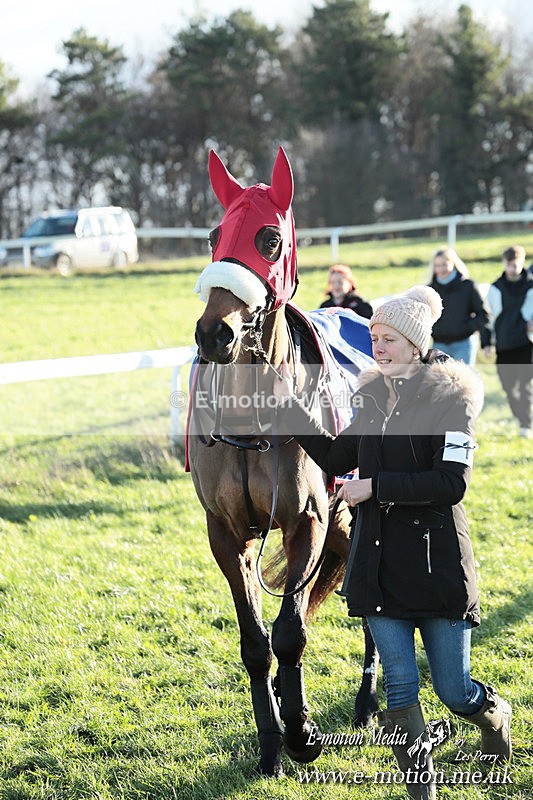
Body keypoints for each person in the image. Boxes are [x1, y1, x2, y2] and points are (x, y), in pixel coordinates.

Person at [274, 286, 511, 800]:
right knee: (400, 686)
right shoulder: (373, 395)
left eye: (388, 339)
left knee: (453, 690)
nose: (377, 347)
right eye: (374, 337)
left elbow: (452, 484)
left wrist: (374, 487)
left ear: (416, 342)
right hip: (376, 562)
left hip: (437, 562)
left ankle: (493, 715)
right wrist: (289, 410)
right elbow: (339, 459)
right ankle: (420, 792)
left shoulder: (453, 399)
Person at [482, 244, 533, 438]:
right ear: (504, 263)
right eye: (509, 264)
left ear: (522, 262)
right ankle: (520, 416)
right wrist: (487, 343)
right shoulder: (495, 288)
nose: (513, 268)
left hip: (526, 343)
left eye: (516, 264)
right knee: (508, 387)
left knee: (525, 384)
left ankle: (526, 425)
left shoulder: (531, 285)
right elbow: (488, 318)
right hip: (504, 344)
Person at [428, 247, 488, 366]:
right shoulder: (429, 290)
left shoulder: (468, 286)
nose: (441, 269)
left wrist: (466, 328)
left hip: (463, 344)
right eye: (437, 265)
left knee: (462, 383)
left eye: (444, 264)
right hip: (438, 345)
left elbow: (482, 315)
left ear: (453, 264)